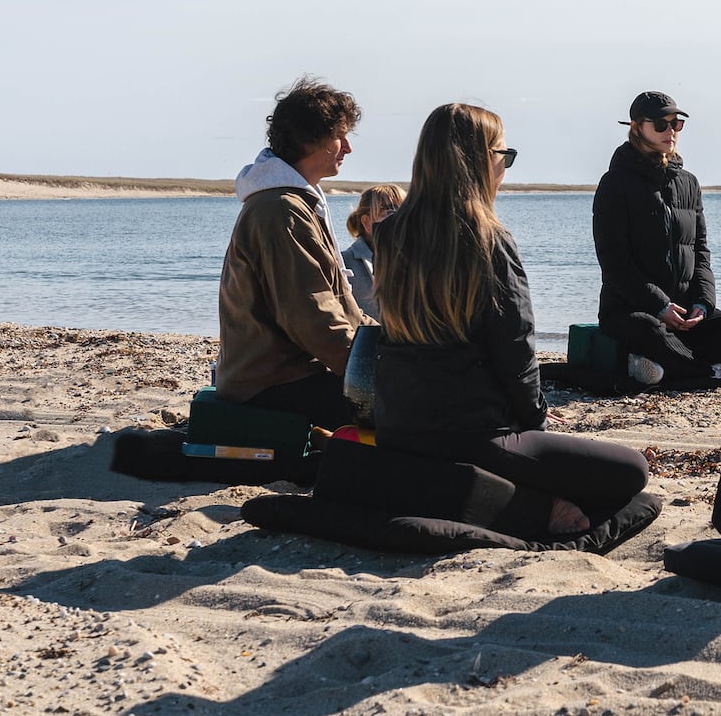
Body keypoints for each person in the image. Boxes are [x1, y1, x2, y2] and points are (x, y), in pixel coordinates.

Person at [372, 103, 650, 535]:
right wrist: (535, 418)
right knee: (633, 471)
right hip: (475, 435)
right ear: (480, 162)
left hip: (398, 428)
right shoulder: (489, 240)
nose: (506, 168)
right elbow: (515, 347)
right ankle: (524, 507)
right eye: (504, 156)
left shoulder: (389, 234)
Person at [215, 75, 372, 430]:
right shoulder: (281, 210)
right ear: (309, 139)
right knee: (409, 413)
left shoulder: (297, 202)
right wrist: (372, 371)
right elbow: (312, 317)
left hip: (291, 372)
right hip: (271, 384)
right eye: (339, 136)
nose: (347, 147)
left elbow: (339, 303)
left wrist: (390, 344)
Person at [592, 91, 721, 386]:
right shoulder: (615, 183)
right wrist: (660, 306)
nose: (670, 131)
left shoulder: (689, 182)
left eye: (676, 124)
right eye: (661, 124)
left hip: (687, 313)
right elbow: (614, 261)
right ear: (637, 126)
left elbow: (701, 252)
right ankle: (711, 372)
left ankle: (656, 366)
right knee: (652, 332)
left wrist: (703, 304)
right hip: (632, 311)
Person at [340, 184, 406, 320]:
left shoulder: (415, 262)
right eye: (390, 211)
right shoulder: (344, 263)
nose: (400, 218)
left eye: (404, 210)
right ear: (367, 222)